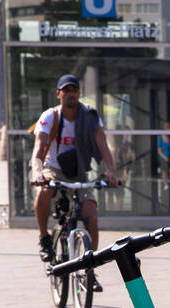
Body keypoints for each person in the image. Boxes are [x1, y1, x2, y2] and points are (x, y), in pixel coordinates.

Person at [31, 74, 120, 280]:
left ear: (79, 93)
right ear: (59, 94)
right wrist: (36, 169)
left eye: (74, 91)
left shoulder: (89, 116)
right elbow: (39, 145)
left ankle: (90, 267)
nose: (71, 95)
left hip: (80, 171)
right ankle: (44, 237)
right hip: (54, 168)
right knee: (44, 192)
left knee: (91, 214)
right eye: (66, 91)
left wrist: (111, 172)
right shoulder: (50, 116)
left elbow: (103, 146)